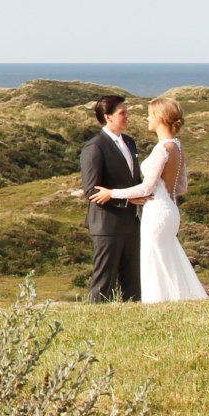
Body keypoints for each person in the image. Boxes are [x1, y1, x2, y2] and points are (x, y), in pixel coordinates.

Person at [91, 96, 209, 304]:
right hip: (170, 209)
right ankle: (179, 298)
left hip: (156, 211)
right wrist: (165, 195)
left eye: (150, 115)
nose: (147, 119)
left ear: (160, 118)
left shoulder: (162, 148)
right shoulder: (177, 147)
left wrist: (111, 193)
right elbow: (181, 187)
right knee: (169, 257)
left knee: (154, 260)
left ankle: (159, 302)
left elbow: (147, 188)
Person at [79, 95, 144, 302]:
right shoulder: (95, 147)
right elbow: (91, 190)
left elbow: (134, 180)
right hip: (107, 225)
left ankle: (132, 317)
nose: (127, 116)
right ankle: (95, 318)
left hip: (131, 223)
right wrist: (126, 199)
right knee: (104, 282)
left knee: (133, 281)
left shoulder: (130, 142)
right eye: (122, 113)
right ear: (108, 117)